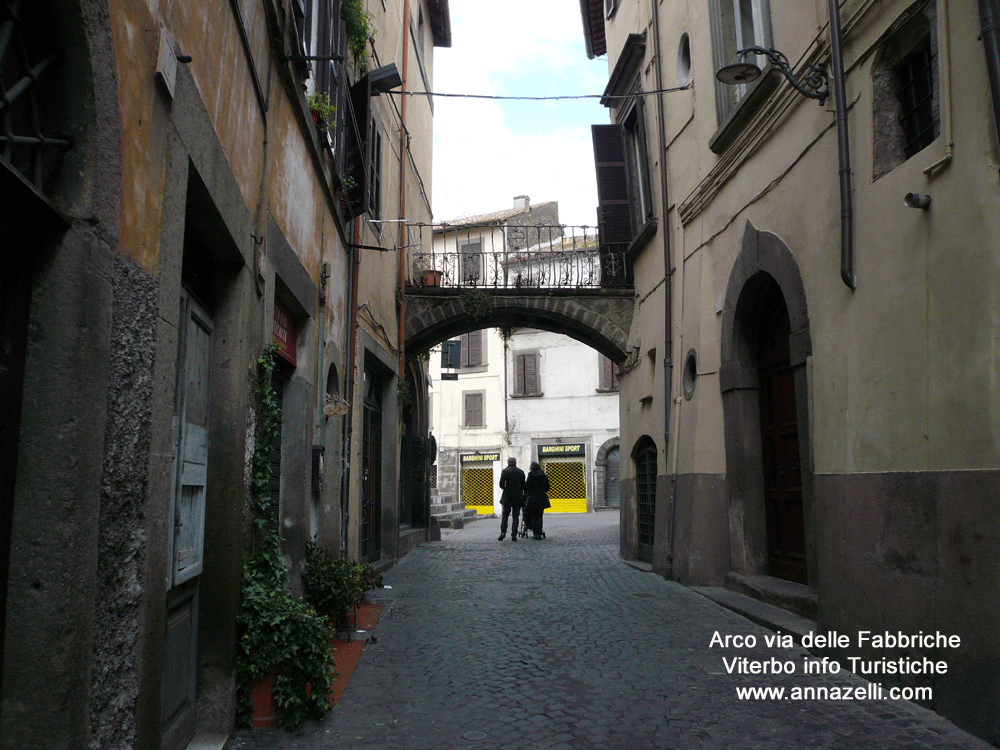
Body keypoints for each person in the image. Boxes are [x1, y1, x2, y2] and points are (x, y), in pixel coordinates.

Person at [497, 457, 526, 541]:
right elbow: (524, 485)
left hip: (507, 497)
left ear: (508, 463)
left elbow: (501, 485)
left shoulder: (505, 471)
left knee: (505, 516)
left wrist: (507, 488)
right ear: (515, 462)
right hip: (518, 497)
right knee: (515, 517)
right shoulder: (521, 472)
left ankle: (503, 533)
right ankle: (514, 535)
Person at [522, 461, 550, 540]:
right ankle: (539, 532)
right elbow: (547, 487)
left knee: (534, 516)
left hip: (532, 499)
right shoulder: (544, 475)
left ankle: (536, 534)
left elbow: (527, 486)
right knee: (539, 516)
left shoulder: (531, 475)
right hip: (542, 499)